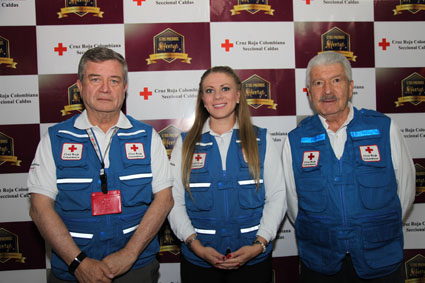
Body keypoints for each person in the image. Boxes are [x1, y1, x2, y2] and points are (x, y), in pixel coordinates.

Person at [28, 47, 173, 283]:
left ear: (124, 88)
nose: (105, 88)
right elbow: (39, 207)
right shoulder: (55, 139)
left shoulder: (147, 137)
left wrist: (129, 254)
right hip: (72, 273)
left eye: (114, 80)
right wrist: (78, 262)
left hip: (135, 269)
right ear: (80, 86)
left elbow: (164, 199)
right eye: (95, 79)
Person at [283, 51, 416, 283]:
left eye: (336, 80)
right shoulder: (295, 140)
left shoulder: (384, 128)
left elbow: (404, 192)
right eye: (318, 83)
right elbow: (294, 205)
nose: (327, 91)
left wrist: (371, 228)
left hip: (379, 262)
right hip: (321, 264)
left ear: (350, 86)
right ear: (309, 93)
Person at [167, 66, 286, 283]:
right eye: (210, 91)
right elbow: (174, 201)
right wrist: (196, 246)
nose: (218, 96)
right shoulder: (185, 144)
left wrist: (259, 244)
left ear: (238, 95)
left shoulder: (262, 139)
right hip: (199, 262)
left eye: (225, 88)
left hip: (253, 262)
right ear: (202, 99)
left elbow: (277, 196)